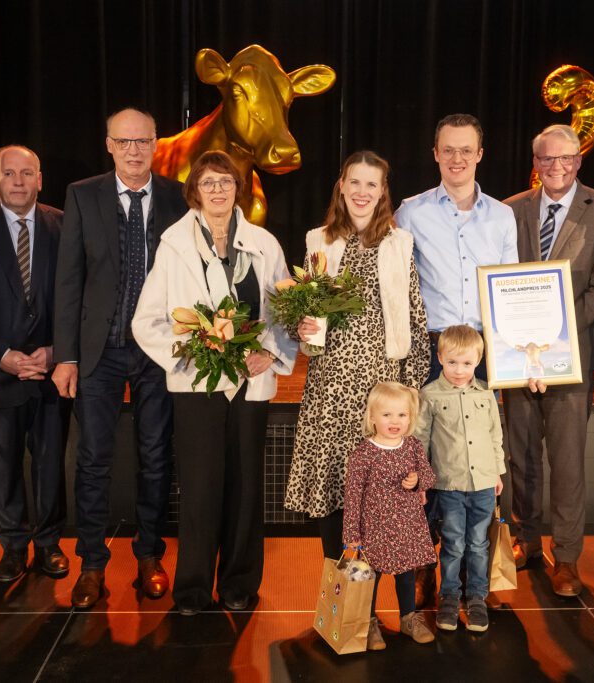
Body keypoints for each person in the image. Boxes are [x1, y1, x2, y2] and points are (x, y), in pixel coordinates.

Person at [133, 150, 297, 616]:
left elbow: (284, 309)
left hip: (252, 384)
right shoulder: (173, 245)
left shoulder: (264, 243)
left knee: (247, 488)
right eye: (209, 183)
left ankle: (239, 584)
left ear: (238, 188)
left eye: (226, 182)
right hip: (198, 386)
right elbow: (146, 322)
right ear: (195, 191)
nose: (219, 191)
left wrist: (274, 353)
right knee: (201, 488)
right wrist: (190, 357)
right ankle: (192, 589)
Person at [52, 108, 188, 608]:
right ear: (108, 145)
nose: (134, 150)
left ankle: (149, 556)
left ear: (156, 145)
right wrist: (66, 355)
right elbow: (68, 281)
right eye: (123, 142)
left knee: (156, 456)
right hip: (99, 351)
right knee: (93, 459)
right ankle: (91, 564)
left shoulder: (178, 196)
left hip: (159, 351)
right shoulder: (82, 195)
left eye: (143, 142)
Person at [284, 150, 430, 563]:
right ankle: (338, 605)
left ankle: (366, 612)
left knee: (377, 494)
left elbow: (415, 317)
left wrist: (411, 389)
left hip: (380, 389)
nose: (362, 191)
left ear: (383, 192)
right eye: (355, 182)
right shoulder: (320, 240)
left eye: (372, 183)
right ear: (342, 186)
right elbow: (308, 314)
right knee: (333, 490)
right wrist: (304, 330)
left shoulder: (399, 244)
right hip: (331, 386)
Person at [395, 113, 517, 604]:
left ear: (480, 155)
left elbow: (511, 289)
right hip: (432, 349)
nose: (458, 158)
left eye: (467, 150)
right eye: (449, 150)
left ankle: (473, 577)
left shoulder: (502, 216)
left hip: (484, 351)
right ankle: (428, 567)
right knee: (429, 459)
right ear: (436, 154)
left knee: (476, 456)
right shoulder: (411, 211)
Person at [501, 124, 594, 597]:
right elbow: (501, 282)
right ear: (536, 163)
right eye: (547, 160)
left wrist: (550, 334)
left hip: (568, 355)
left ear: (578, 161)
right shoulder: (510, 210)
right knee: (521, 452)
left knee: (568, 461)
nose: (556, 167)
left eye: (565, 159)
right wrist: (519, 334)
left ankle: (567, 557)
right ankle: (526, 539)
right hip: (515, 356)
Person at [0, 145, 71, 583]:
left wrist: (56, 350)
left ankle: (49, 544)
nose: (17, 181)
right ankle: (12, 546)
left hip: (51, 371)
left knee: (50, 462)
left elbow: (76, 297)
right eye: (8, 173)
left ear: (40, 178)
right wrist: (0, 356)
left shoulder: (65, 225)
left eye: (26, 172)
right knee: (4, 464)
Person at [413, 325, 505, 633]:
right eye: (451, 362)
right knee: (452, 544)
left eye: (466, 363)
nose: (458, 370)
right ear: (439, 358)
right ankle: (449, 597)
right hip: (449, 486)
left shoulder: (486, 393)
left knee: (479, 544)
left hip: (482, 486)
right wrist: (422, 479)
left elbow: (495, 435)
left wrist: (497, 472)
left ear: (478, 360)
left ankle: (476, 597)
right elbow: (421, 439)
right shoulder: (430, 395)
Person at [343, 382, 437, 648]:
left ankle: (408, 618)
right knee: (370, 577)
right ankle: (369, 622)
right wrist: (351, 533)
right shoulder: (363, 454)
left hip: (407, 526)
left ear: (411, 418)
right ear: (372, 417)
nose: (395, 421)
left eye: (402, 415)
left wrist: (418, 480)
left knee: (406, 575)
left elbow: (429, 476)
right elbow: (352, 496)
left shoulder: (413, 447)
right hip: (375, 529)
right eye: (387, 415)